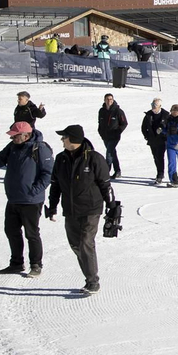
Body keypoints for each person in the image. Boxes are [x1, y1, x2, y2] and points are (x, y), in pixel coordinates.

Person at [46, 125, 113, 295]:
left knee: (85, 243)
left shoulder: (94, 158)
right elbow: (55, 185)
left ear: (73, 139)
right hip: (70, 210)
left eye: (64, 137)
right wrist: (52, 206)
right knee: (76, 245)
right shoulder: (60, 159)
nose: (62, 140)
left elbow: (106, 185)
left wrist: (112, 207)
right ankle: (89, 275)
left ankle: (92, 281)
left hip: (91, 209)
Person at [0, 121, 55, 277]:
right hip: (13, 198)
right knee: (11, 231)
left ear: (26, 135)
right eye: (11, 136)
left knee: (32, 233)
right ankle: (16, 263)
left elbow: (48, 174)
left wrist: (34, 190)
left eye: (15, 136)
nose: (12, 139)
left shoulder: (40, 148)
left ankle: (36, 265)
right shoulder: (12, 147)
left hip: (31, 201)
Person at [97, 93, 128, 179]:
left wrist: (118, 131)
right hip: (105, 136)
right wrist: (100, 132)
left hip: (114, 137)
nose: (109, 101)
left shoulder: (118, 111)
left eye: (111, 99)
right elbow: (100, 122)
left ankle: (106, 172)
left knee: (109, 153)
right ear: (104, 100)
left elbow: (124, 123)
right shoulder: (102, 111)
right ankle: (117, 171)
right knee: (112, 153)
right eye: (107, 99)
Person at [142, 98, 169, 184]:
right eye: (152, 105)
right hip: (152, 140)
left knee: (159, 156)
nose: (153, 107)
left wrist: (164, 133)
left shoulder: (166, 115)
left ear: (160, 106)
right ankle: (159, 172)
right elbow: (143, 127)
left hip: (162, 140)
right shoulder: (148, 115)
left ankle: (160, 175)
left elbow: (169, 127)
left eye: (155, 105)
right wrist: (147, 136)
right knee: (155, 157)